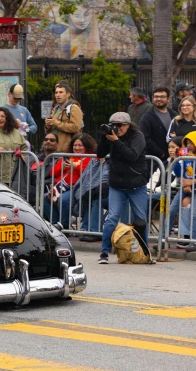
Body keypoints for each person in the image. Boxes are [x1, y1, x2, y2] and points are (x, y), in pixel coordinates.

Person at [96, 112, 149, 264]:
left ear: (128, 125)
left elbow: (132, 155)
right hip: (117, 184)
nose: (117, 128)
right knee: (112, 218)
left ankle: (144, 251)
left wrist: (117, 141)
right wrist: (103, 137)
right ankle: (104, 253)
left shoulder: (137, 136)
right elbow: (99, 153)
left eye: (120, 125)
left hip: (136, 184)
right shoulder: (111, 135)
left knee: (140, 219)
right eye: (114, 125)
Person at [43, 133, 95, 230]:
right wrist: (62, 167)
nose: (77, 148)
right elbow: (52, 173)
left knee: (64, 199)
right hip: (62, 187)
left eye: (80, 145)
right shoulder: (67, 156)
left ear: (86, 146)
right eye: (75, 145)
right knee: (45, 198)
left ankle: (64, 226)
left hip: (78, 188)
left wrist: (76, 167)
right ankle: (55, 224)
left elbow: (90, 174)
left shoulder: (91, 157)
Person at [165, 135, 196, 250]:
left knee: (193, 213)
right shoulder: (185, 157)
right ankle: (164, 238)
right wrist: (177, 160)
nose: (188, 146)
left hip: (193, 187)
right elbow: (179, 173)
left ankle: (193, 239)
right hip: (185, 188)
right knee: (171, 209)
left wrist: (191, 183)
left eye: (191, 143)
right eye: (187, 144)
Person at [139, 86, 177, 166]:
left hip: (174, 158)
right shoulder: (147, 117)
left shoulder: (174, 115)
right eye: (156, 96)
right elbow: (145, 138)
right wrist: (161, 153)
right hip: (155, 161)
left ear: (168, 99)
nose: (159, 99)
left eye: (162, 97)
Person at [45, 81, 83, 153]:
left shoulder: (74, 108)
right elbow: (52, 128)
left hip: (66, 151)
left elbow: (75, 127)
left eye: (61, 92)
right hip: (53, 150)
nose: (58, 95)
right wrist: (48, 126)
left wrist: (56, 123)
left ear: (68, 94)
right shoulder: (55, 109)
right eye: (56, 93)